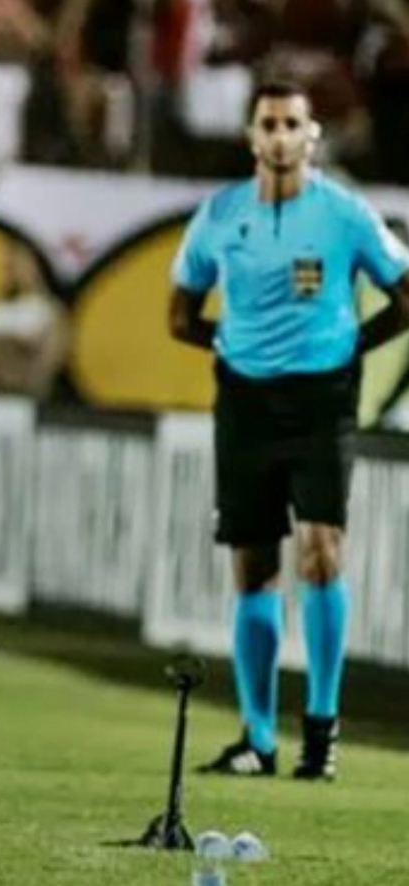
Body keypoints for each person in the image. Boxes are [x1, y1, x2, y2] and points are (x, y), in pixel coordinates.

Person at [168, 80, 409, 781]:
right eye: (268, 123)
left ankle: (322, 732)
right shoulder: (218, 217)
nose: (279, 135)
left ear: (312, 137)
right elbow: (180, 317)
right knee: (253, 567)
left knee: (322, 551)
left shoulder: (345, 215)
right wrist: (239, 342)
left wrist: (351, 345)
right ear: (250, 136)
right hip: (244, 399)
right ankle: (259, 737)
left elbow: (404, 293)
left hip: (321, 400)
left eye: (292, 124)